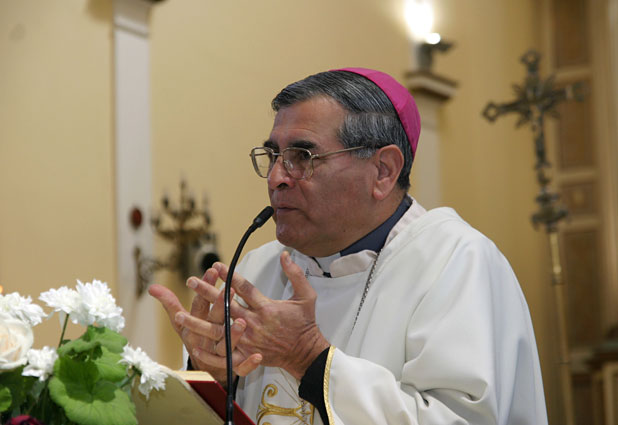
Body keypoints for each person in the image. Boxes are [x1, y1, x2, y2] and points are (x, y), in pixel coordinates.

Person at [149, 68, 548, 425]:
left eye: (302, 156)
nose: (276, 178)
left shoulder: (456, 262)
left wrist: (309, 358)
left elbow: (459, 419)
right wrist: (213, 377)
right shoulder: (258, 269)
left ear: (383, 171)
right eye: (273, 155)